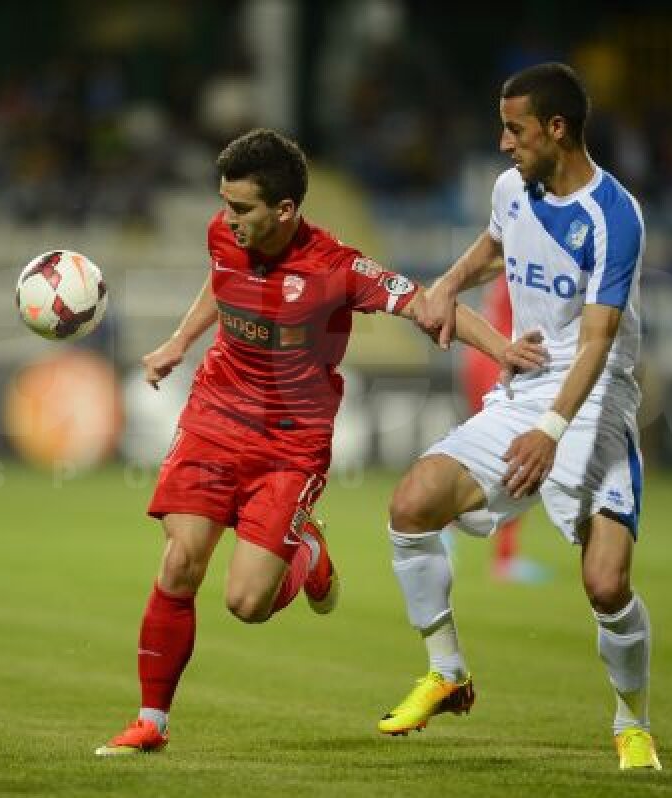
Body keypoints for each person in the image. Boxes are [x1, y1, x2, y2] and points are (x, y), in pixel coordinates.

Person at [95, 128, 545, 756]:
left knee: (247, 603)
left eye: (243, 209)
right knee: (179, 563)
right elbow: (221, 280)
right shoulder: (226, 233)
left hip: (290, 440)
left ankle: (306, 552)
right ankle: (152, 720)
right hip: (215, 413)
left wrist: (504, 351)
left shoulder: (337, 268)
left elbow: (427, 304)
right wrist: (178, 342)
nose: (229, 220)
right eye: (225, 205)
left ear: (286, 210)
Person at [377, 63, 661, 771]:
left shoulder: (613, 217)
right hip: (525, 391)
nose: (504, 143)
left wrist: (553, 431)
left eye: (515, 129)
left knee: (605, 584)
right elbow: (494, 247)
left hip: (594, 407)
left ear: (557, 130)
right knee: (412, 504)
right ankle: (447, 671)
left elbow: (597, 340)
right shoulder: (513, 188)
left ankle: (632, 722)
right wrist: (444, 286)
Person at [459, 273, 549, 584]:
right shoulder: (535, 261)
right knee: (519, 457)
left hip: (483, 357)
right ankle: (505, 558)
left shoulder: (511, 261)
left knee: (488, 453)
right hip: (502, 359)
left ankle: (439, 524)